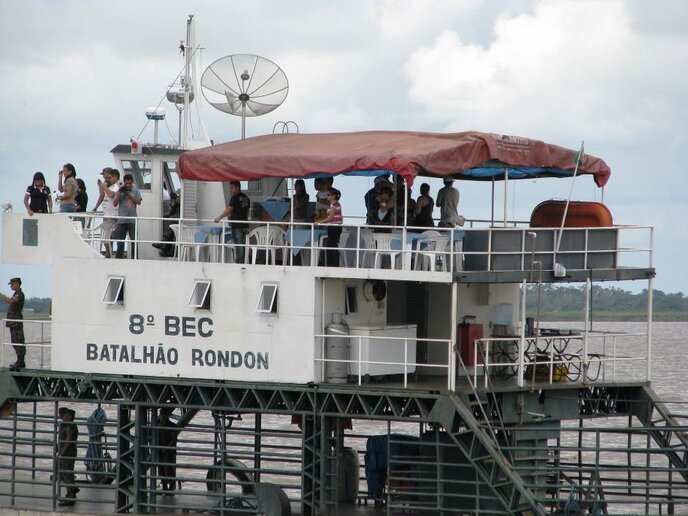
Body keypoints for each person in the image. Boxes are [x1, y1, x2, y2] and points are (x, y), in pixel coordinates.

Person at [214, 181, 250, 263]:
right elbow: (247, 211)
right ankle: (243, 261)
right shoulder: (246, 198)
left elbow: (229, 210)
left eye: (232, 188)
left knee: (238, 245)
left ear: (237, 187)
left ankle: (239, 263)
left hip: (237, 225)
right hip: (245, 225)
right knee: (243, 244)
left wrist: (219, 218)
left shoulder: (235, 197)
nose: (231, 190)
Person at [112, 173, 142, 259]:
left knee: (134, 241)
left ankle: (134, 258)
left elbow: (138, 201)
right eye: (126, 183)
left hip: (132, 220)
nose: (128, 185)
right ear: (124, 182)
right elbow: (114, 203)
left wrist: (128, 194)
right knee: (120, 242)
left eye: (130, 183)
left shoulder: (135, 190)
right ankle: (118, 258)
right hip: (122, 220)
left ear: (132, 182)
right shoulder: (120, 190)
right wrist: (119, 192)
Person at [93, 169, 120, 258]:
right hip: (107, 214)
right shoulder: (109, 186)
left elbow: (112, 194)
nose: (105, 178)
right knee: (105, 236)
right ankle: (108, 253)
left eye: (108, 177)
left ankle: (112, 253)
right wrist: (96, 207)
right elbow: (102, 195)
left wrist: (104, 186)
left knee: (112, 236)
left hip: (113, 215)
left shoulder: (118, 185)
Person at [1, 278, 25, 371]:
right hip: (13, 322)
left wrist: (1, 295)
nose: (11, 286)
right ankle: (19, 361)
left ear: (17, 284)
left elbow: (11, 301)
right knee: (15, 341)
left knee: (18, 341)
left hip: (16, 322)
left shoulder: (19, 294)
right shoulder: (16, 293)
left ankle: (21, 361)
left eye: (12, 284)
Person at [57, 407, 80, 506]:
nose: (61, 416)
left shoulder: (69, 426)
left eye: (63, 414)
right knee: (65, 474)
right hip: (66, 453)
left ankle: (71, 496)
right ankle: (72, 491)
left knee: (67, 475)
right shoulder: (65, 425)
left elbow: (69, 439)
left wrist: (62, 452)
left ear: (69, 416)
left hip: (67, 453)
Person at [315, 187, 342, 267]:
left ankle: (333, 264)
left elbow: (330, 217)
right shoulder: (334, 204)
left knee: (332, 245)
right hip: (333, 227)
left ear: (333, 196)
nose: (327, 197)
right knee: (331, 245)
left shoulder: (334, 204)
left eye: (329, 195)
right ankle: (332, 264)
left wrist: (319, 222)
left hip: (334, 227)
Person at [157, 407, 181, 494]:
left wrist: (167, 448)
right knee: (161, 470)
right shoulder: (158, 426)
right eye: (161, 415)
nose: (162, 417)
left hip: (169, 452)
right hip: (160, 451)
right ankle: (164, 487)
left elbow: (174, 439)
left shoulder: (172, 426)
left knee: (169, 469)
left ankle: (171, 487)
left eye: (163, 415)